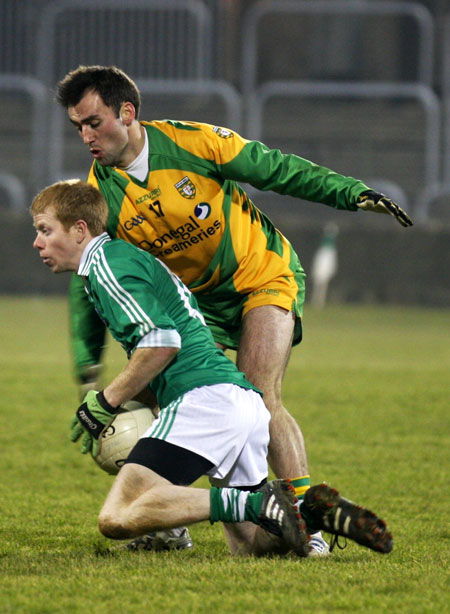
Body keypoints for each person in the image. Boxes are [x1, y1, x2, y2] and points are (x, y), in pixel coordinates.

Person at [55, 65, 412, 554]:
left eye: (94, 121)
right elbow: (91, 276)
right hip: (201, 303)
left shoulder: (194, 143)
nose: (86, 136)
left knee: (261, 392)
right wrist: (87, 357)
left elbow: (275, 167)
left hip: (261, 274)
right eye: (78, 127)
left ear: (128, 112)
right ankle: (167, 528)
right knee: (167, 399)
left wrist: (350, 193)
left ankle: (308, 521)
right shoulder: (101, 195)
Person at [30, 179, 394, 557]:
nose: (38, 243)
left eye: (45, 230)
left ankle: (257, 504)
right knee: (253, 545)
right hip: (240, 402)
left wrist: (105, 402)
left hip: (204, 402)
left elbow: (161, 342)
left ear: (79, 229)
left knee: (117, 517)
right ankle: (310, 511)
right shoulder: (120, 260)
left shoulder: (107, 265)